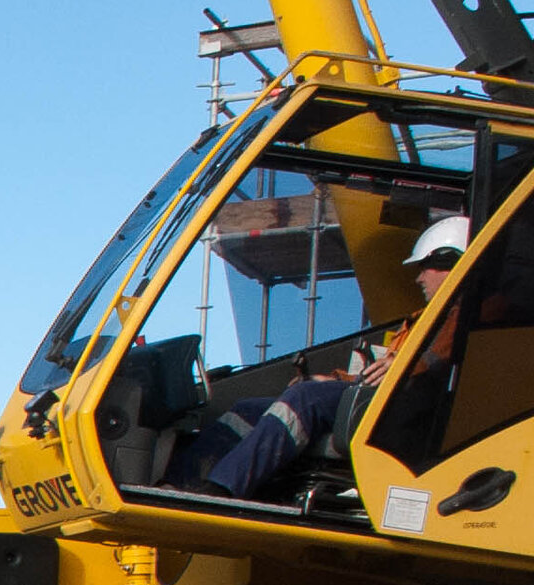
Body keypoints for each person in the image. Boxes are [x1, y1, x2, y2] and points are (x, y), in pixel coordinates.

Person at [199, 213, 473, 500]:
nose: (418, 278)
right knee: (248, 409)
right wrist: (331, 379)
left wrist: (402, 366)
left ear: (449, 262)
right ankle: (186, 483)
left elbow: (441, 358)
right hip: (383, 397)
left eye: (424, 268)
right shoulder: (425, 319)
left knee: (304, 398)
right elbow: (382, 372)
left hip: (406, 410)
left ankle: (222, 490)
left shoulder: (472, 313)